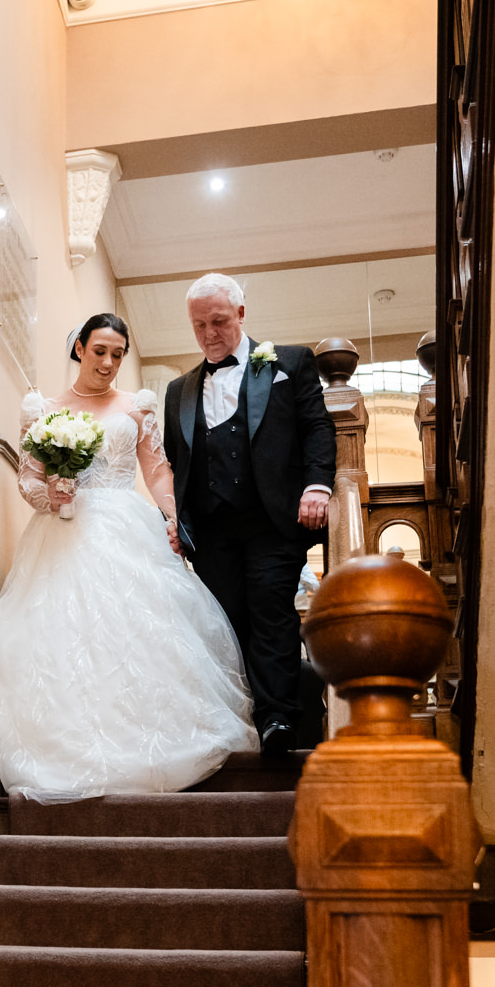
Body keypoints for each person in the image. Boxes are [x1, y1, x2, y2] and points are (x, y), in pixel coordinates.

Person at [0, 313, 259, 797]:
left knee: (142, 633)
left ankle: (151, 740)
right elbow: (27, 478)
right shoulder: (43, 409)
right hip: (60, 534)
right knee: (67, 636)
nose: (108, 363)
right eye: (99, 352)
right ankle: (77, 747)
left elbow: (156, 471)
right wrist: (52, 493)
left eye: (117, 354)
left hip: (126, 525)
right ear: (80, 349)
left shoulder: (137, 406)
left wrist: (174, 518)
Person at [160, 273, 336, 755]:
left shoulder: (290, 363)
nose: (209, 333)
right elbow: (178, 464)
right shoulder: (179, 390)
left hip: (273, 521)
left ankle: (278, 718)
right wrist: (178, 522)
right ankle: (236, 718)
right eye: (199, 326)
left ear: (241, 313)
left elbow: (317, 429)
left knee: (269, 607)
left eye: (218, 321)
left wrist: (317, 485)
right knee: (224, 619)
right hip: (213, 531)